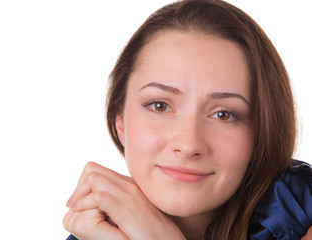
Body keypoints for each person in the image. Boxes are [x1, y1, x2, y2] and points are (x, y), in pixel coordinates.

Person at [63, 0, 312, 239]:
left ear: (261, 132)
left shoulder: (298, 211)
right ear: (120, 121)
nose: (189, 145)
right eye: (159, 106)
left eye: (223, 114)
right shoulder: (94, 231)